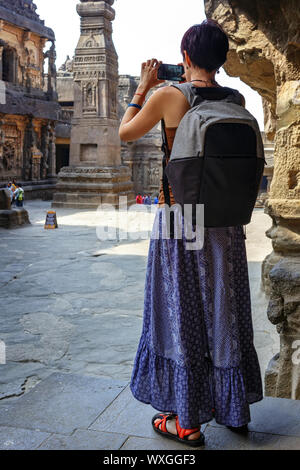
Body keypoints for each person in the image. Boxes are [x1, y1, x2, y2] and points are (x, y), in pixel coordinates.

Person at [119, 19, 262, 447]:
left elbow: (126, 133)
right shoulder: (235, 99)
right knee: (224, 310)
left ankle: (186, 422)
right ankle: (232, 407)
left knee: (179, 314)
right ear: (222, 59)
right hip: (226, 224)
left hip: (180, 221)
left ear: (184, 57)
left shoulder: (169, 95)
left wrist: (142, 88)